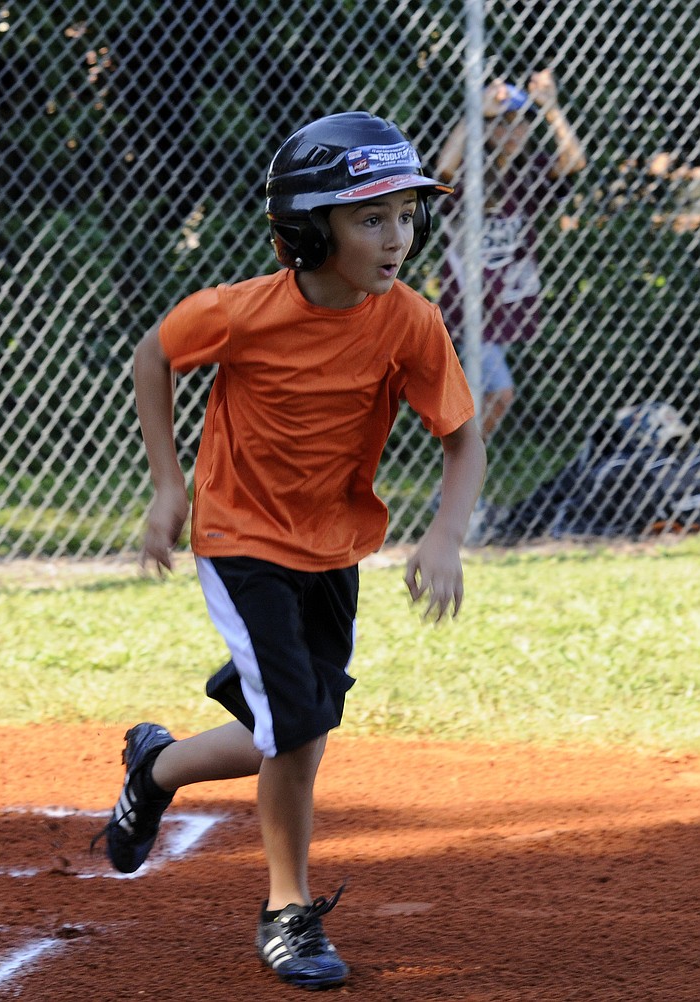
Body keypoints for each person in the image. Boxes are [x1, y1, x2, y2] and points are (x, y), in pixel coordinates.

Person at [92, 111, 486, 990]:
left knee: (293, 729)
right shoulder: (242, 312)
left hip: (332, 546)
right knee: (297, 731)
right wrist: (168, 485)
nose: (398, 238)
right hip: (239, 537)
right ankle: (286, 911)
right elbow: (154, 355)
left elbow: (463, 439)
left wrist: (445, 535)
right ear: (311, 231)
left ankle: (154, 768)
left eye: (407, 216)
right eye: (370, 218)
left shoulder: (410, 323)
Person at [436, 69, 587, 439]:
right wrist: (476, 113)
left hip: (501, 304)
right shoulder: (473, 172)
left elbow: (574, 162)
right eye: (503, 125)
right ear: (488, 130)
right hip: (466, 305)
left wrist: (551, 109)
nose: (514, 134)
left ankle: (462, 485)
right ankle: (458, 482)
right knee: (499, 394)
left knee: (481, 402)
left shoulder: (527, 174)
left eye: (521, 125)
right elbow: (442, 169)